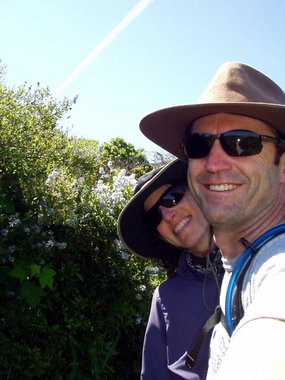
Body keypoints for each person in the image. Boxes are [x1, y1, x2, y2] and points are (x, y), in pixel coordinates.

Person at [139, 61, 285, 379]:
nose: (215, 162)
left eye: (242, 143)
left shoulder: (275, 267)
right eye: (199, 145)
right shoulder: (238, 265)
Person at [117, 159, 223, 380]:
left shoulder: (267, 256)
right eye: (155, 216)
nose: (167, 215)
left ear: (198, 190)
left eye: (171, 198)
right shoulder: (165, 298)